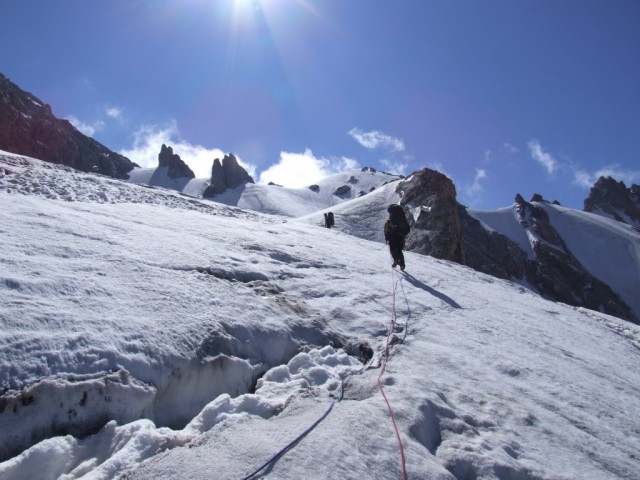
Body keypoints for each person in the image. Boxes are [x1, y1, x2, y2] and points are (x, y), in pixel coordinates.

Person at [384, 204, 410, 270]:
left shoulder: (390, 220)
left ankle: (396, 259)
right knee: (399, 250)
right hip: (401, 236)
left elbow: (386, 228)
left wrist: (387, 236)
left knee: (393, 249)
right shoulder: (402, 218)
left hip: (392, 236)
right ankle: (402, 264)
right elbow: (407, 228)